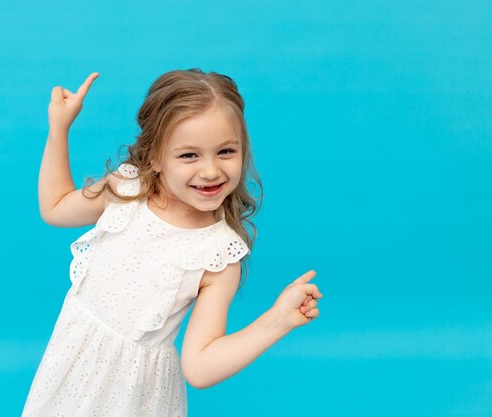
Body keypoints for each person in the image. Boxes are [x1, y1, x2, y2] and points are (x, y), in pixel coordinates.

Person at [21, 69, 323, 416]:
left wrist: (277, 320)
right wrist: (59, 128)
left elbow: (199, 367)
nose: (210, 171)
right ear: (154, 157)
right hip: (70, 369)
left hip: (134, 398)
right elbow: (56, 208)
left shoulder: (218, 257)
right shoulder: (127, 189)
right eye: (189, 156)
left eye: (225, 151)